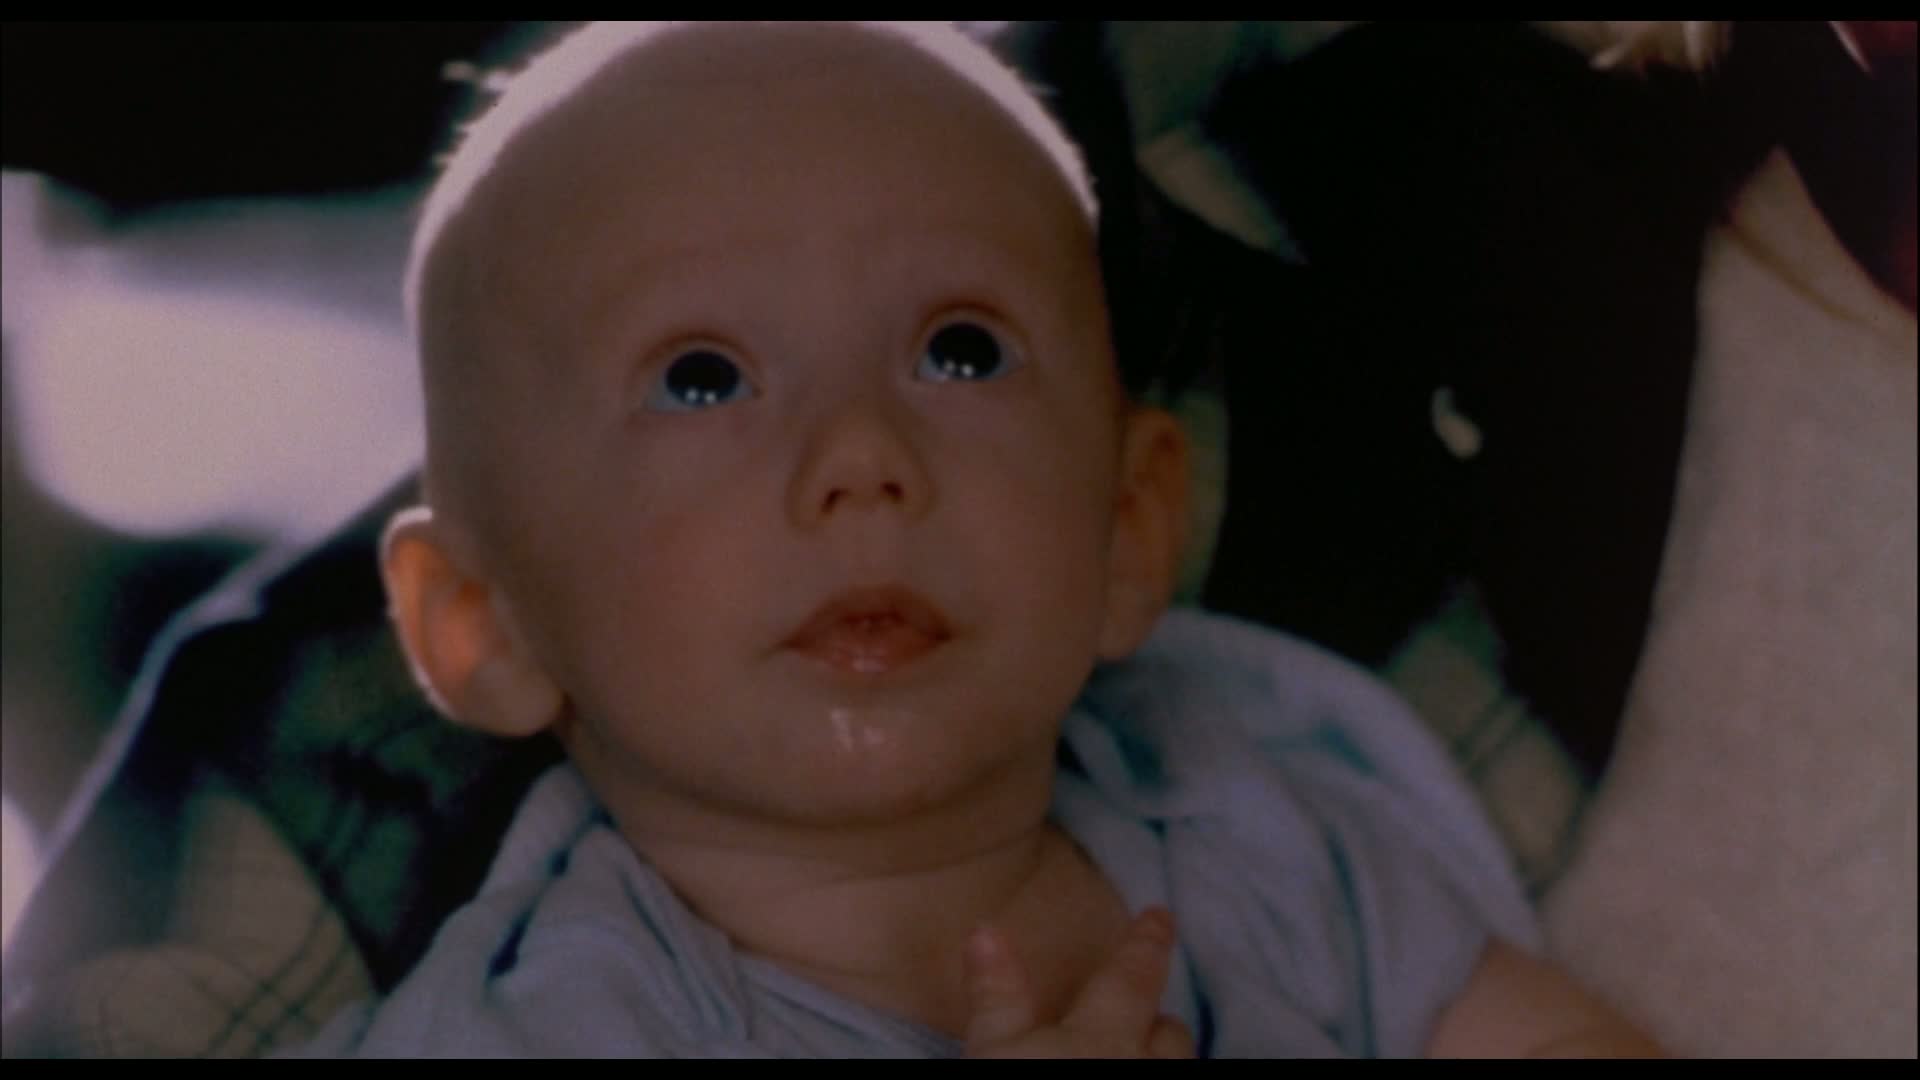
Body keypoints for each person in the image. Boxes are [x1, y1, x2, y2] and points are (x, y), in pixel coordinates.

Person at [288, 21, 1662, 1057]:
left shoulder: (1248, 827)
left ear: (1129, 529)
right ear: (484, 624)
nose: (862, 456)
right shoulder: (555, 1027)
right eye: (703, 377)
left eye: (960, 351)